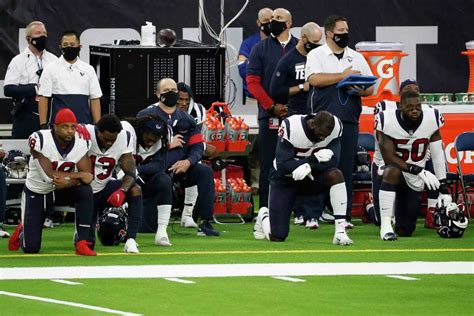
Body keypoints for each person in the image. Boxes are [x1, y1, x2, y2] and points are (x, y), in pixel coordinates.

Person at [305, 15, 374, 227]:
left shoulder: (356, 56)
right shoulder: (317, 54)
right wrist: (342, 77)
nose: (345, 34)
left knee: (345, 167)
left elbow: (371, 88)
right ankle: (312, 214)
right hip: (323, 121)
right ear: (329, 33)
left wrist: (359, 89)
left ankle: (342, 215)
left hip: (349, 119)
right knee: (318, 165)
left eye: (347, 30)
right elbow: (314, 79)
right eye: (341, 30)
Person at [253, 111, 353, 245]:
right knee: (277, 236)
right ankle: (264, 215)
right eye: (320, 135)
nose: (322, 139)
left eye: (326, 137)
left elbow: (334, 161)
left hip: (312, 177)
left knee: (336, 174)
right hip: (285, 179)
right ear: (312, 124)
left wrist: (310, 167)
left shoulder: (335, 128)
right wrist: (310, 160)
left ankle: (340, 232)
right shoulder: (291, 126)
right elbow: (283, 165)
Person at [138, 78, 220, 236]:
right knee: (147, 228)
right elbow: (140, 148)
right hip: (155, 170)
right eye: (166, 91)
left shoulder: (187, 119)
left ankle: (205, 222)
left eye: (174, 90)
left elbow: (197, 146)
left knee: (205, 172)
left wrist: (188, 162)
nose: (171, 94)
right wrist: (167, 143)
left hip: (181, 168)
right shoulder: (146, 116)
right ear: (157, 94)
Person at [8, 108, 96, 255]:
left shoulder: (81, 141)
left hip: (62, 189)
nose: (69, 131)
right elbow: (49, 175)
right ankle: (23, 229)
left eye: (73, 127)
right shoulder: (40, 140)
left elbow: (87, 177)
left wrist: (69, 182)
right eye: (65, 126)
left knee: (85, 191)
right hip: (38, 191)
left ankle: (82, 241)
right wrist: (78, 175)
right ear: (55, 126)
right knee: (31, 248)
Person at [269, 22, 328, 228]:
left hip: (318, 117)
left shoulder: (321, 57)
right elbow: (276, 91)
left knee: (317, 163)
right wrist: (303, 87)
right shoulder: (288, 60)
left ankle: (314, 213)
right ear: (303, 38)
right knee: (295, 164)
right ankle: (299, 210)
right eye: (313, 42)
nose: (317, 45)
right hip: (296, 119)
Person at [374, 90, 451, 240]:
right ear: (400, 107)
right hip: (394, 172)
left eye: (418, 106)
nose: (415, 110)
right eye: (409, 107)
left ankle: (396, 219)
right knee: (392, 171)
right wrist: (416, 169)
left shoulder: (431, 118)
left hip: (414, 179)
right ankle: (385, 227)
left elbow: (437, 154)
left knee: (406, 230)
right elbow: (389, 157)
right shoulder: (386, 120)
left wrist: (443, 187)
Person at [366, 79, 440, 228]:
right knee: (381, 219)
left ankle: (430, 211)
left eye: (416, 89)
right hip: (386, 165)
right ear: (400, 95)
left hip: (413, 169)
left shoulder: (429, 113)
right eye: (408, 88)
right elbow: (386, 153)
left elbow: (435, 148)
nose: (412, 90)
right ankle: (370, 208)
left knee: (406, 228)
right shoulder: (385, 110)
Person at [246, 8, 298, 210]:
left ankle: (298, 208)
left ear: (290, 23)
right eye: (272, 18)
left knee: (297, 160)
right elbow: (252, 82)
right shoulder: (260, 48)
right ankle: (266, 208)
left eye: (279, 19)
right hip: (269, 115)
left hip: (297, 115)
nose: (273, 22)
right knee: (268, 162)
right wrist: (271, 106)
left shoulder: (300, 48)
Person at [85, 114, 143, 253]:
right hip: (83, 191)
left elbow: (130, 171)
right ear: (97, 131)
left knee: (135, 190)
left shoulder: (124, 137)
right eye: (106, 139)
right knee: (87, 243)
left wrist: (122, 190)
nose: (110, 143)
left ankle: (131, 240)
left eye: (113, 139)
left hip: (104, 186)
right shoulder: (85, 133)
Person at [122, 115, 174, 246]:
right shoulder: (127, 132)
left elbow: (159, 165)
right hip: (123, 177)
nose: (151, 143)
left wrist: (137, 170)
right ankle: (124, 230)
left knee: (164, 180)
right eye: (149, 138)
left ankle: (162, 232)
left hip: (146, 178)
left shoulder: (165, 136)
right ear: (141, 131)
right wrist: (130, 173)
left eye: (155, 139)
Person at [4, 21, 58, 139]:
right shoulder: (18, 61)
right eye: (38, 33)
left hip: (50, 115)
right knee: (22, 152)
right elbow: (8, 89)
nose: (42, 36)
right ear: (29, 39)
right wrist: (34, 88)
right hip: (25, 115)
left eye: (44, 33)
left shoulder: (54, 60)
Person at [38, 30, 102, 128]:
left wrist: (97, 126)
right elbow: (43, 98)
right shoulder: (50, 69)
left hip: (84, 128)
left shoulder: (89, 70)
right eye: (65, 44)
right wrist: (43, 125)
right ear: (60, 47)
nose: (69, 47)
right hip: (58, 128)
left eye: (72, 44)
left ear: (79, 47)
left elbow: (95, 99)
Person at [176, 82, 218, 228]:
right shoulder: (164, 110)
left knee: (198, 165)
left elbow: (196, 138)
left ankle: (188, 214)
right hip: (168, 154)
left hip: (189, 152)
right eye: (180, 100)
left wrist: (203, 146)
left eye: (187, 100)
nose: (183, 104)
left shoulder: (198, 110)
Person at [238, 7, 273, 105]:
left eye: (272, 20)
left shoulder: (280, 43)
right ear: (258, 22)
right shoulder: (248, 44)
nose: (269, 23)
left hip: (276, 98)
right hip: (254, 99)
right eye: (266, 20)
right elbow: (243, 70)